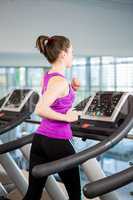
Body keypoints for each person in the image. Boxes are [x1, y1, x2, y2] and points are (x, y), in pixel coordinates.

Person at [23, 35, 81, 200]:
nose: (72, 56)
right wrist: (67, 118)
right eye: (71, 52)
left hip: (40, 139)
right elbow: (40, 109)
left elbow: (57, 102)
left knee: (33, 193)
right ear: (63, 54)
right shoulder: (60, 82)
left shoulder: (49, 77)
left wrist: (73, 90)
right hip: (57, 141)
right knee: (75, 196)